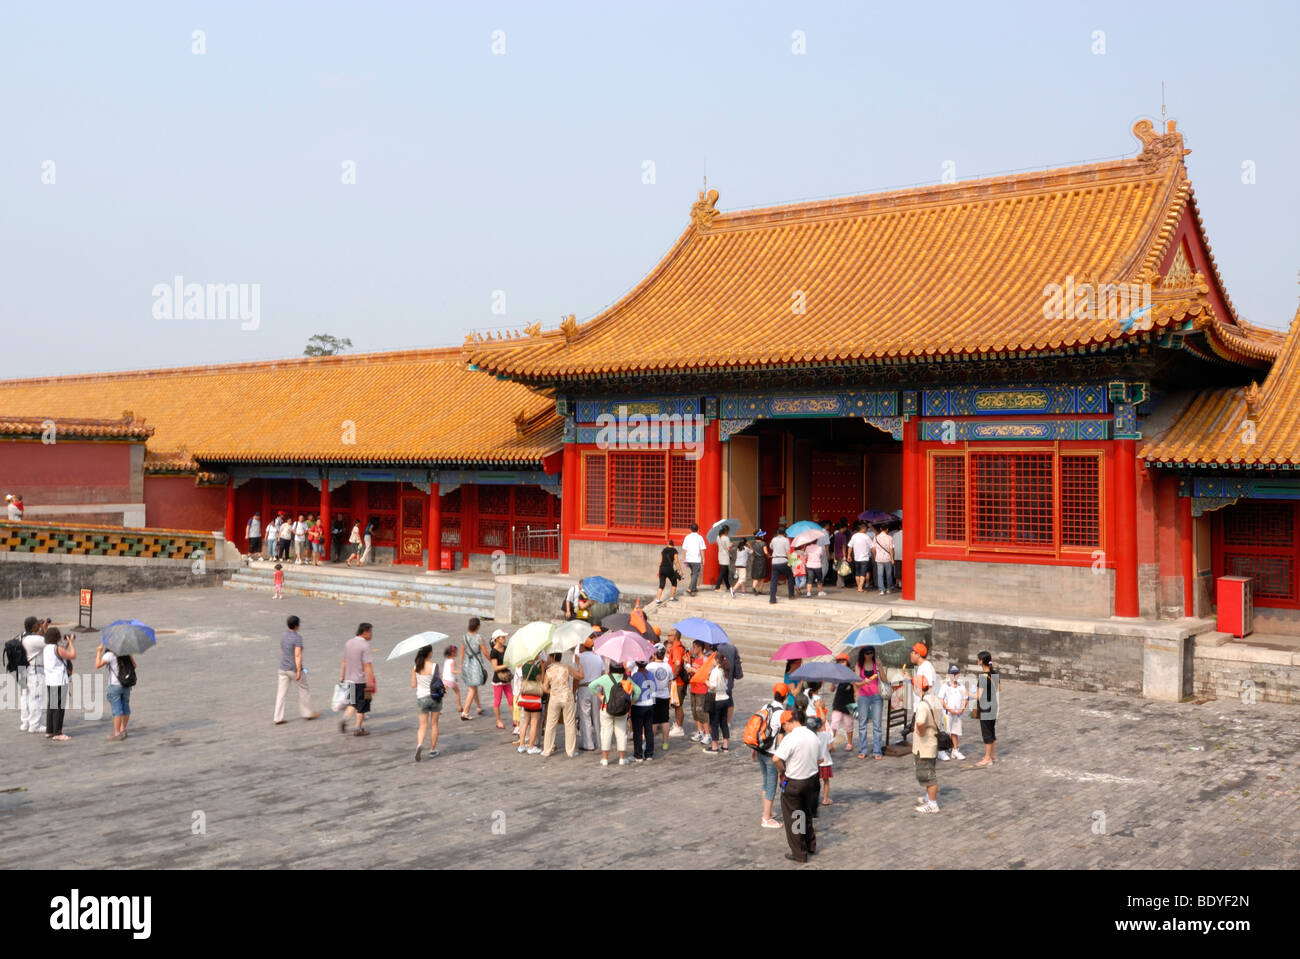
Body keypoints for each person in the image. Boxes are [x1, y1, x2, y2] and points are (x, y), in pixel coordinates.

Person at [772, 710, 821, 863]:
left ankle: (799, 853)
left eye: (783, 726)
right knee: (806, 813)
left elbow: (776, 759)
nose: (783, 729)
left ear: (789, 722)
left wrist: (783, 770)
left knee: (794, 817)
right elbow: (820, 759)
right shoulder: (813, 735)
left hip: (795, 782)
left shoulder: (791, 738)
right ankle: (810, 844)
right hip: (812, 780)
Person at [752, 684, 788, 829]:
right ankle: (766, 818)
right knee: (771, 785)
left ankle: (768, 811)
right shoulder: (781, 713)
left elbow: (758, 727)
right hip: (772, 753)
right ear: (785, 697)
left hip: (760, 750)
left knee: (765, 782)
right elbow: (781, 736)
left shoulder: (766, 706)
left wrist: (754, 748)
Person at [590, 663, 640, 766]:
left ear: (611, 668)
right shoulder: (626, 678)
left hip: (606, 709)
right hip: (622, 711)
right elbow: (638, 691)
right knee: (621, 733)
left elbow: (591, 686)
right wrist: (631, 703)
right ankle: (622, 759)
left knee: (605, 732)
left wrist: (600, 696)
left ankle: (605, 759)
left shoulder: (605, 678)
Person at [274, 615, 320, 725]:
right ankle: (307, 713)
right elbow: (298, 655)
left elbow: (283, 651)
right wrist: (299, 670)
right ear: (296, 625)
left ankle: (278, 717)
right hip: (293, 669)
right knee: (304, 689)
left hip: (282, 668)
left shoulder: (284, 636)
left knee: (281, 694)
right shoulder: (297, 638)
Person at [541, 652, 581, 757]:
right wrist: (579, 664)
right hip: (567, 697)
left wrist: (553, 691)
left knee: (550, 724)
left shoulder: (549, 670)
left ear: (552, 657)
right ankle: (570, 751)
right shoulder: (567, 668)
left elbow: (545, 688)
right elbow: (580, 676)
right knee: (570, 724)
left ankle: (547, 750)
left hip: (555, 698)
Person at [339, 622, 375, 736]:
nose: (371, 634)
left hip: (349, 680)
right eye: (370, 632)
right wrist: (371, 682)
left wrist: (342, 676)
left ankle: (344, 719)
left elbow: (344, 661)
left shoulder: (348, 643)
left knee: (352, 703)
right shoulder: (365, 645)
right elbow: (367, 665)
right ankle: (358, 728)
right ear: (365, 632)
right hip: (362, 681)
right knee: (363, 706)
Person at [95, 640, 136, 742]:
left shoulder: (109, 655)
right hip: (126, 684)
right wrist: (130, 655)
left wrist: (99, 652)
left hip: (115, 685)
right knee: (125, 706)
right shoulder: (126, 653)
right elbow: (134, 666)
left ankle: (117, 733)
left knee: (117, 710)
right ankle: (123, 729)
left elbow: (97, 665)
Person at [913, 675, 942, 813]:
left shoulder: (923, 705)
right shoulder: (934, 699)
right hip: (933, 741)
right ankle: (928, 796)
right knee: (929, 770)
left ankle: (932, 803)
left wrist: (921, 732)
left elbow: (920, 722)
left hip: (925, 744)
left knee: (929, 775)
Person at [42, 626, 74, 741]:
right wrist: (70, 643)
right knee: (59, 708)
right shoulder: (58, 648)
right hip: (59, 680)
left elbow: (60, 656)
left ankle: (49, 731)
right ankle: (57, 732)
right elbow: (72, 655)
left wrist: (65, 646)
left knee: (51, 705)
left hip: (50, 680)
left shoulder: (47, 648)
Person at [411, 644, 442, 761]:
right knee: (434, 724)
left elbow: (413, 685)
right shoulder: (434, 666)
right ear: (430, 653)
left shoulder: (415, 667)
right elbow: (440, 683)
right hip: (435, 698)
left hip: (421, 698)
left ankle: (419, 744)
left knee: (422, 726)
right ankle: (432, 749)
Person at [18, 615, 47, 733]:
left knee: (25, 696)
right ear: (34, 626)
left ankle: (25, 722)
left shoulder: (22, 636)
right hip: (34, 671)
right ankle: (35, 724)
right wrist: (44, 629)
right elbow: (49, 642)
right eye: (37, 624)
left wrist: (40, 629)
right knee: (36, 697)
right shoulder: (35, 639)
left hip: (22, 669)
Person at [855, 646, 885, 760]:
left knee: (877, 725)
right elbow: (856, 682)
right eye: (867, 653)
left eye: (871, 652)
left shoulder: (876, 664)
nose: (870, 655)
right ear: (863, 654)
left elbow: (884, 679)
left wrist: (880, 666)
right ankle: (863, 749)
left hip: (876, 696)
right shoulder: (859, 665)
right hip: (863, 697)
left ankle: (877, 751)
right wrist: (863, 682)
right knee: (862, 724)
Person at [575, 636, 604, 750]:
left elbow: (577, 677)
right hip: (596, 688)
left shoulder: (580, 658)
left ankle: (588, 743)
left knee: (585, 716)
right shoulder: (598, 658)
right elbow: (603, 673)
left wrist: (573, 691)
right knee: (597, 716)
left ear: (583, 646)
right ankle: (600, 742)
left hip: (584, 688)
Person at [646, 643, 674, 750]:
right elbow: (670, 682)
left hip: (653, 695)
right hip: (664, 695)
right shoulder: (668, 667)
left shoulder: (650, 666)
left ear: (655, 654)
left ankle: (650, 743)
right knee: (665, 720)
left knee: (653, 721)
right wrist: (669, 695)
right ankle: (665, 743)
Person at [517, 653, 547, 753]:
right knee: (534, 723)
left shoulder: (524, 666)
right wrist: (542, 669)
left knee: (525, 722)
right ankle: (531, 746)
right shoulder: (534, 668)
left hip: (526, 697)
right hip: (534, 697)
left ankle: (521, 745)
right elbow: (541, 680)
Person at [974, 650, 999, 767]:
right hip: (994, 705)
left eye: (978, 659)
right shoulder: (994, 673)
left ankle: (988, 758)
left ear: (981, 661)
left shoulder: (983, 677)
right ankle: (993, 755)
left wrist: (967, 693)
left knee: (987, 733)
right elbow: (999, 689)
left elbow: (978, 696)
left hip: (985, 707)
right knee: (992, 730)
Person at [703, 652, 731, 754]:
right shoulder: (725, 670)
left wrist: (706, 681)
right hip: (725, 698)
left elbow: (712, 687)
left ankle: (714, 746)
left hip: (716, 698)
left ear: (717, 660)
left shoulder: (715, 671)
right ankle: (725, 744)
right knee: (724, 722)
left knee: (714, 723)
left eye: (713, 660)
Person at [939, 665, 968, 760]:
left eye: (956, 674)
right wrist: (948, 708)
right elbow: (941, 700)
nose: (954, 676)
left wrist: (962, 708)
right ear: (949, 675)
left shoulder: (961, 686)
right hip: (948, 713)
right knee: (946, 732)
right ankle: (942, 751)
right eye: (952, 674)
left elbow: (965, 699)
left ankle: (955, 750)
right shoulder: (945, 686)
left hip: (958, 714)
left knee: (955, 731)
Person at [629, 659, 657, 761]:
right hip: (650, 704)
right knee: (649, 730)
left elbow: (630, 690)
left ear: (636, 664)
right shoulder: (651, 675)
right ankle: (649, 753)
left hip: (638, 705)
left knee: (638, 731)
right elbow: (655, 689)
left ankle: (638, 754)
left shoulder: (635, 676)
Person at [687, 640, 714, 745]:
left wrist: (693, 670)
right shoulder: (695, 659)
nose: (693, 649)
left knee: (701, 711)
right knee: (695, 712)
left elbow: (706, 674)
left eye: (694, 647)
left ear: (699, 648)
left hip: (702, 689)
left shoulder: (706, 660)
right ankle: (700, 731)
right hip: (693, 688)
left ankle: (708, 734)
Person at [487, 628, 514, 729]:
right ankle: (498, 720)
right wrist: (506, 665)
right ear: (497, 639)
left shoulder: (505, 648)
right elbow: (495, 667)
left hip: (506, 678)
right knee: (497, 701)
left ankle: (515, 719)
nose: (504, 638)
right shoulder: (493, 652)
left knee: (511, 699)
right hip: (498, 679)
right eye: (502, 637)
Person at [829, 654, 856, 753]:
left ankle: (849, 743)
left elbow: (856, 687)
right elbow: (831, 690)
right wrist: (832, 681)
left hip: (849, 702)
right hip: (838, 702)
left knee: (848, 724)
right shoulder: (836, 674)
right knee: (834, 723)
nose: (841, 663)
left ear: (847, 662)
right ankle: (830, 743)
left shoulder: (852, 673)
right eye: (839, 662)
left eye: (843, 661)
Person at [665, 631, 688, 737]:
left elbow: (677, 664)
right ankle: (678, 725)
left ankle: (679, 727)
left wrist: (672, 677)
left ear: (675, 637)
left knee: (678, 705)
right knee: (675, 704)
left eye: (669, 635)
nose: (668, 637)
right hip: (676, 681)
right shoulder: (675, 647)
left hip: (677, 681)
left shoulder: (677, 649)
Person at [767, 526, 795, 604]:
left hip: (775, 562)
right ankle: (791, 595)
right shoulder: (786, 540)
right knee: (790, 577)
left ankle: (772, 599)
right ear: (785, 533)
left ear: (778, 532)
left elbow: (771, 547)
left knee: (774, 581)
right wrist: (791, 562)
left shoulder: (773, 539)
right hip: (783, 561)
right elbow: (788, 552)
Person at [813, 717, 834, 806]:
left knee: (815, 782)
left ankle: (814, 799)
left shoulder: (812, 735)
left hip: (815, 762)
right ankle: (825, 799)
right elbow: (831, 747)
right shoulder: (827, 735)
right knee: (826, 781)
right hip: (825, 761)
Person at [654, 538, 682, 605]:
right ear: (673, 544)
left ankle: (658, 600)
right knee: (674, 582)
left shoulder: (663, 550)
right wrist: (680, 570)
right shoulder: (674, 550)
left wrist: (658, 571)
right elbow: (676, 561)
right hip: (669, 569)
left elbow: (660, 561)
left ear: (667, 544)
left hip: (662, 569)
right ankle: (672, 598)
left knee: (661, 585)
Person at [682, 523, 706, 595]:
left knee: (693, 573)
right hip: (696, 559)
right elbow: (702, 549)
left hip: (689, 558)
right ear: (697, 529)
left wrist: (685, 559)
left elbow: (684, 549)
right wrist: (703, 559)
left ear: (690, 529)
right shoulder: (700, 537)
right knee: (695, 574)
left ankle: (694, 588)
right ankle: (690, 588)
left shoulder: (687, 537)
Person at [849, 522, 872, 592]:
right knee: (863, 573)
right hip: (864, 558)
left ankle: (859, 587)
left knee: (857, 573)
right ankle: (860, 588)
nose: (866, 529)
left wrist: (848, 555)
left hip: (856, 558)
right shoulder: (866, 537)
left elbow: (850, 546)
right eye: (865, 528)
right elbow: (872, 547)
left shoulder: (854, 536)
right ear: (863, 528)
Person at [873, 524, 895, 594]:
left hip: (879, 558)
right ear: (887, 529)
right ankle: (889, 588)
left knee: (880, 574)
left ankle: (882, 589)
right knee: (888, 574)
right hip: (887, 558)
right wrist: (892, 559)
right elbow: (891, 549)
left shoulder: (876, 537)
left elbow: (873, 549)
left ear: (880, 529)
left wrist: (875, 556)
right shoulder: (889, 538)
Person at [441, 644, 462, 715]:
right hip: (450, 680)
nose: (457, 653)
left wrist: (454, 678)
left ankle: (438, 709)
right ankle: (459, 707)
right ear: (453, 653)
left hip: (445, 679)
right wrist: (460, 671)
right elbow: (453, 671)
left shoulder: (446, 660)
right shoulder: (453, 661)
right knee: (457, 692)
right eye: (456, 652)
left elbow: (446, 671)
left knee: (443, 694)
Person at [713, 526, 732, 591]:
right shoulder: (726, 538)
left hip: (720, 555)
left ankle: (728, 586)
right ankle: (717, 587)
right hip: (725, 556)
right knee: (723, 572)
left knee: (726, 572)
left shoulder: (718, 537)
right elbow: (728, 548)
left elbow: (717, 544)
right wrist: (731, 544)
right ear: (726, 531)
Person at [749, 529, 768, 594]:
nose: (763, 536)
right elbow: (765, 552)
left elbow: (752, 552)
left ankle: (754, 587)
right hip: (762, 560)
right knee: (762, 577)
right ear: (760, 536)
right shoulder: (763, 543)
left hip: (755, 560)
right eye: (762, 535)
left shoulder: (753, 543)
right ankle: (760, 590)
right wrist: (769, 555)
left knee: (756, 576)